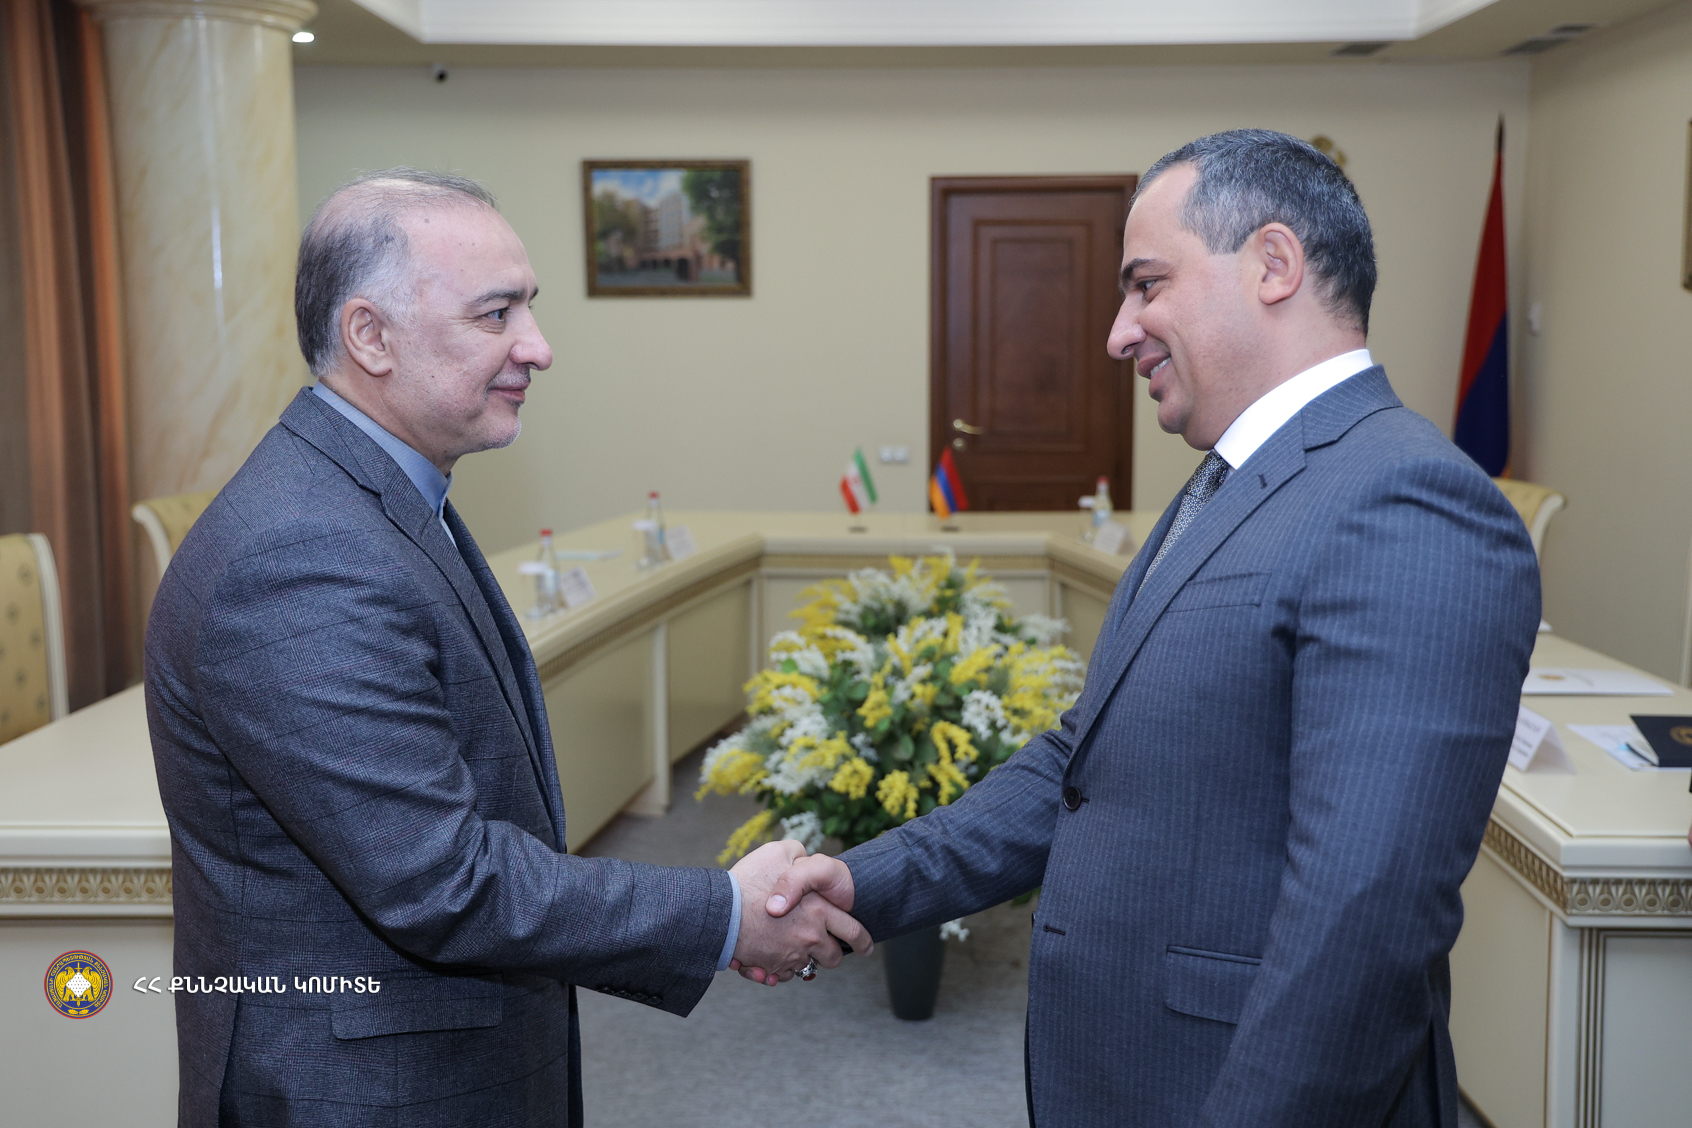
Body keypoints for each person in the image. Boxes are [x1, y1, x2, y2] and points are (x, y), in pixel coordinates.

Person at [758, 130, 1540, 1126]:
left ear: (1273, 264)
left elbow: (1364, 925)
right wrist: (861, 882)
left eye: (1146, 285)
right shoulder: (1229, 482)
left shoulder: (1408, 500)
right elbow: (1087, 764)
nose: (1119, 334)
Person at [145, 169, 866, 1128]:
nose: (538, 345)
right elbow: (441, 880)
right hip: (364, 1092)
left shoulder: (373, 496)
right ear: (370, 337)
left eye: (529, 306)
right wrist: (725, 914)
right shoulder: (303, 553)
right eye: (496, 314)